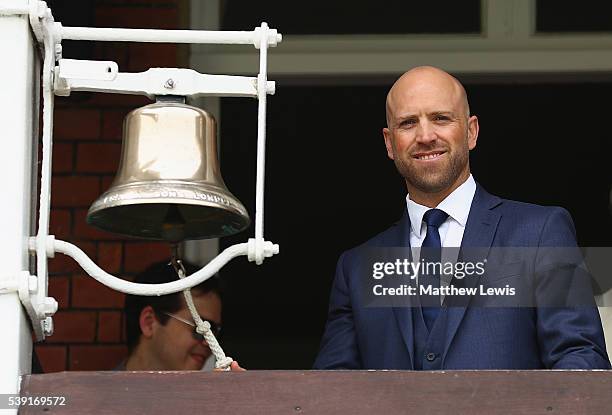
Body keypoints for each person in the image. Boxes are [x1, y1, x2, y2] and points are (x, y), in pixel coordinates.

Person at [313, 66, 610, 370]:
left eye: (441, 118)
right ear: (390, 143)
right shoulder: (357, 268)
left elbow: (582, 362)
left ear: (471, 132)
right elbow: (330, 391)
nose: (426, 136)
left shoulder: (539, 234)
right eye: (408, 123)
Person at [121, 260, 242, 371]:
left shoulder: (209, 393)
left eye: (214, 332)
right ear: (149, 323)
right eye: (200, 330)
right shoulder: (103, 393)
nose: (208, 343)